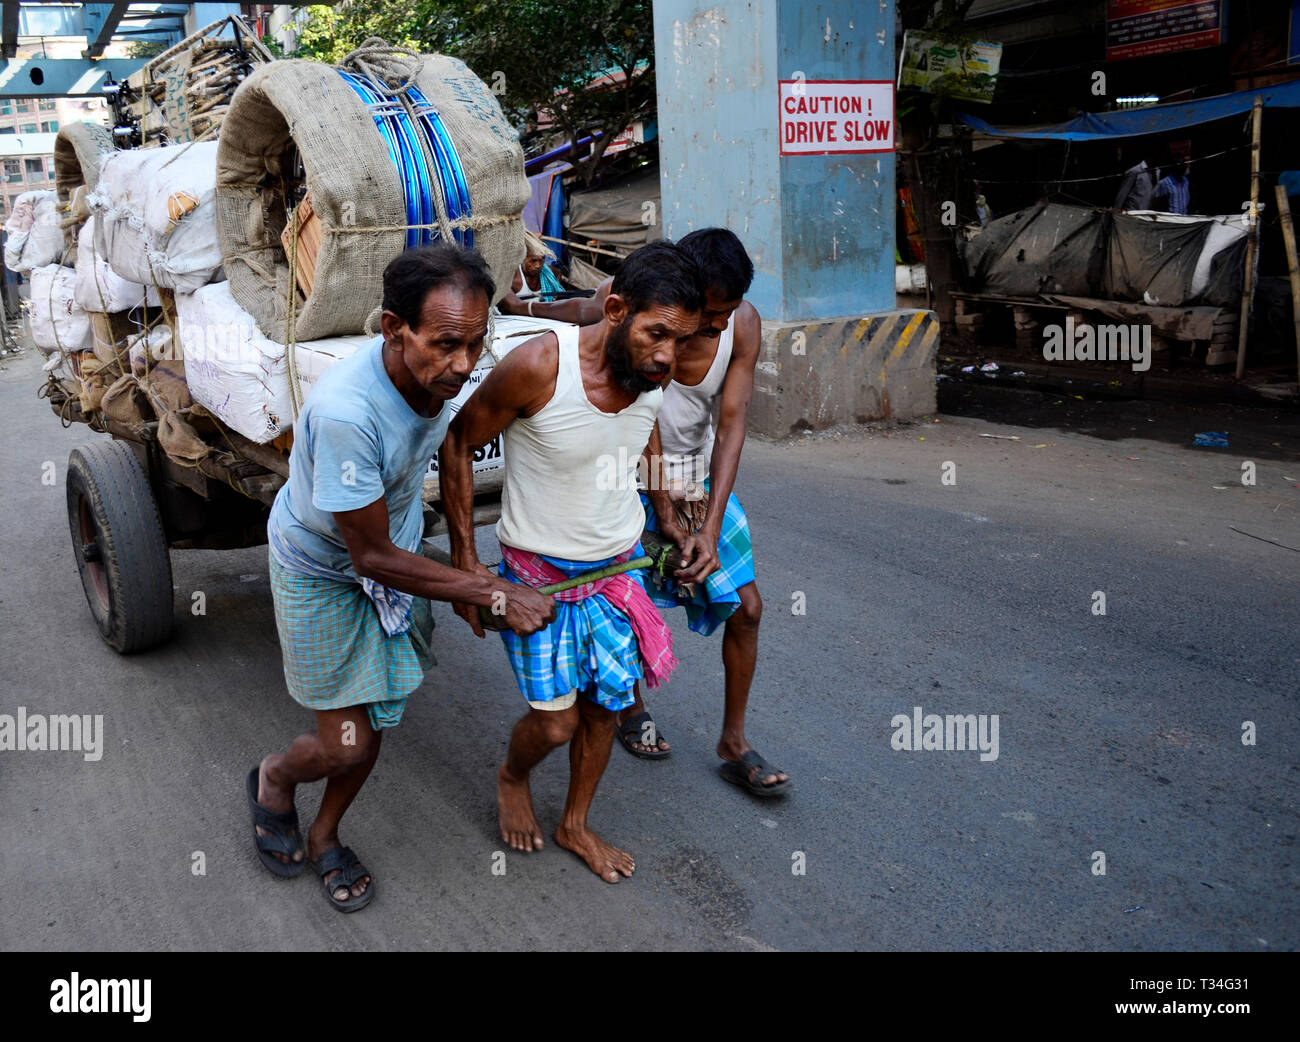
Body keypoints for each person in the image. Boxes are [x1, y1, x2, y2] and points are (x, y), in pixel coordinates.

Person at [248, 243, 555, 912]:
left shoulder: (442, 374)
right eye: (446, 344)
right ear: (393, 329)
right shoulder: (345, 414)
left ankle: (326, 832)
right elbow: (372, 559)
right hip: (325, 571)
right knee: (341, 743)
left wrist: (469, 559)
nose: (465, 364)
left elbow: (450, 441)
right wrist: (487, 589)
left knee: (376, 716)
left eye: (476, 343)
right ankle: (274, 778)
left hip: (392, 556)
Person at [440, 240, 713, 883]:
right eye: (657, 335)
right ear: (615, 310)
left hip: (616, 574)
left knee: (603, 711)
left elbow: (645, 433)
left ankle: (575, 823)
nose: (669, 356)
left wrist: (668, 517)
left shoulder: (652, 374)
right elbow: (458, 441)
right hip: (540, 581)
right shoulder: (538, 366)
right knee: (557, 723)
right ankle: (513, 775)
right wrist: (464, 563)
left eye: (683, 341)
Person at [615, 228, 790, 797]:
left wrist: (709, 526)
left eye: (725, 315)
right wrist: (661, 508)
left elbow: (733, 424)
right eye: (709, 315)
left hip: (694, 481)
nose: (714, 328)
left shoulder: (742, 326)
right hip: (623, 475)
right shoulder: (647, 316)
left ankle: (732, 742)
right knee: (623, 606)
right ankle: (630, 709)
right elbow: (640, 412)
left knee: (748, 607)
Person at [498, 231, 567, 318]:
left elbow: (558, 273)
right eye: (533, 260)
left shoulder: (548, 272)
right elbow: (514, 306)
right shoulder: (511, 277)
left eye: (542, 260)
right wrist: (546, 309)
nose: (538, 265)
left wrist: (555, 291)